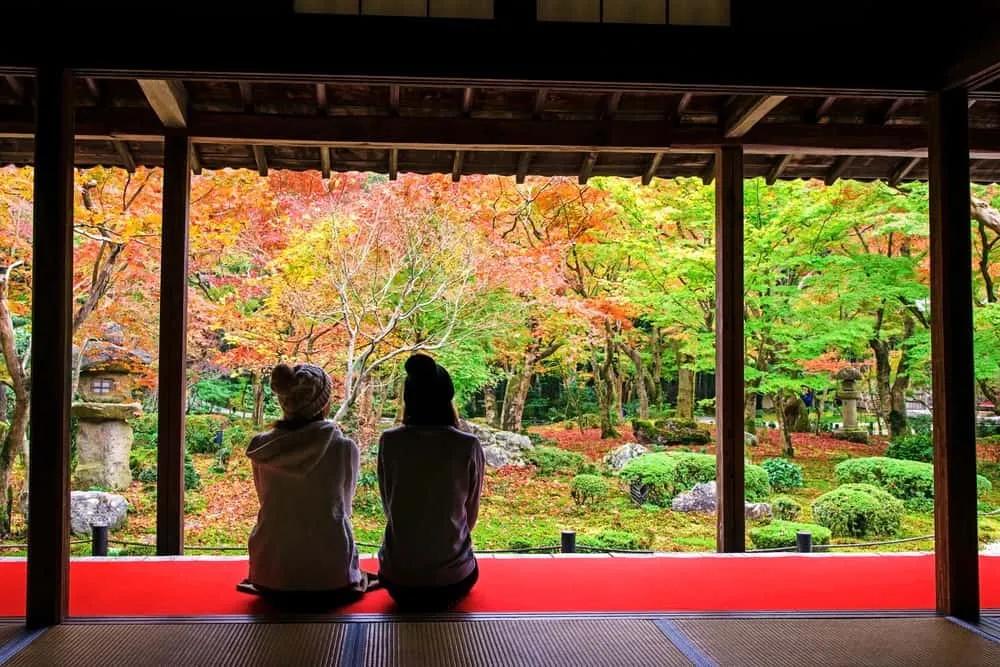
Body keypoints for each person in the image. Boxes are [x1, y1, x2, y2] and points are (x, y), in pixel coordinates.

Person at [239, 362, 375, 603]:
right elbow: (345, 506)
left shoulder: (263, 448)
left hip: (269, 571)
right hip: (330, 576)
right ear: (324, 403)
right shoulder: (343, 448)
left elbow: (265, 499)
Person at [377, 353, 484, 610]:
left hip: (397, 580)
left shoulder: (390, 442)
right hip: (453, 580)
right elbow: (470, 514)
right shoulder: (466, 444)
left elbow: (388, 503)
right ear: (447, 398)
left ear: (408, 399)